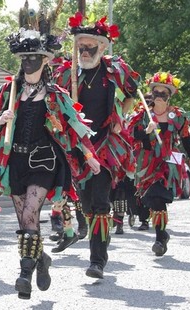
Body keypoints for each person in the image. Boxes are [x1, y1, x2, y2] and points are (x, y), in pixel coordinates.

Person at [0, 23, 100, 298]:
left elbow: (76, 127)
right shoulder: (8, 91)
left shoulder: (54, 95)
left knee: (30, 214)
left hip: (44, 161)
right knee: (27, 223)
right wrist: (0, 119)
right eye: (24, 59)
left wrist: (89, 156)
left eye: (33, 58)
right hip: (16, 161)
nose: (28, 63)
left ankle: (24, 273)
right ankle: (41, 259)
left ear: (45, 60)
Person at [54, 12, 140, 279]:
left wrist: (120, 118)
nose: (85, 51)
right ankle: (99, 236)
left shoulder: (115, 70)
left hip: (103, 143)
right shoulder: (66, 74)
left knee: (101, 202)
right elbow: (55, 105)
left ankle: (97, 260)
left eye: (90, 46)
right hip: (76, 147)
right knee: (87, 204)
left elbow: (132, 95)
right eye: (81, 46)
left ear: (102, 46)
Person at [129, 72, 190, 255]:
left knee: (160, 199)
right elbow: (132, 136)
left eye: (163, 93)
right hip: (147, 162)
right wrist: (146, 131)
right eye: (156, 93)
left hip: (168, 162)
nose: (159, 97)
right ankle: (162, 234)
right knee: (149, 199)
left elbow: (185, 139)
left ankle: (160, 239)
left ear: (169, 96)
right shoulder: (143, 114)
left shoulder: (177, 116)